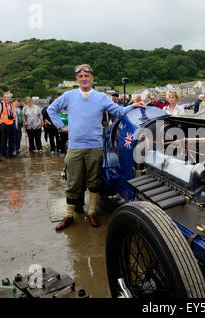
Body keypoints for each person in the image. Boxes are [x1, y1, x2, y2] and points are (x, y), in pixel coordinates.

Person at [47, 64, 146, 231]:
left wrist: (134, 106)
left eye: (87, 75)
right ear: (77, 79)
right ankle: (69, 215)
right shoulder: (69, 95)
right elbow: (52, 109)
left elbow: (119, 111)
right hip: (75, 147)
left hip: (95, 146)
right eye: (80, 76)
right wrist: (61, 126)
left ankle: (92, 213)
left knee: (94, 181)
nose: (84, 78)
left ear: (92, 78)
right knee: (73, 182)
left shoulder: (101, 97)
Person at [0, 92, 17, 159]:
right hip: (5, 124)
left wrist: (15, 123)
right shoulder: (1, 104)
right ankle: (4, 154)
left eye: (9, 97)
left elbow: (15, 114)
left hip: (12, 123)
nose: (8, 99)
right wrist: (1, 122)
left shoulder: (12, 104)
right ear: (4, 97)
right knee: (4, 140)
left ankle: (11, 152)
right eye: (7, 97)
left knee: (12, 139)